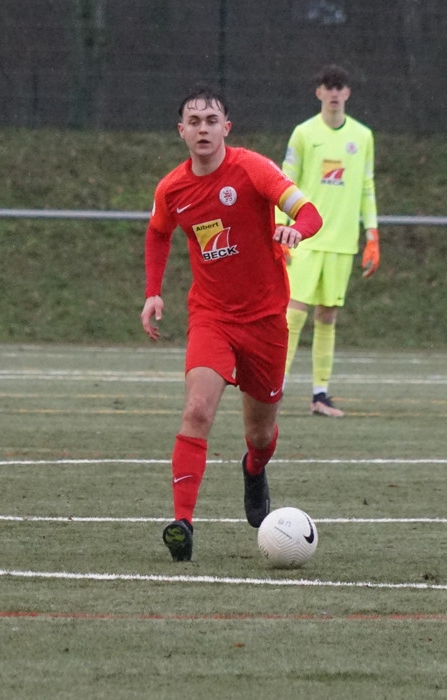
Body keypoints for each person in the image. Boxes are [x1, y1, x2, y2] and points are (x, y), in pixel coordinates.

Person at [141, 84, 323, 562]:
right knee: (197, 410)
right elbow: (158, 233)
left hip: (265, 320)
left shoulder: (253, 169)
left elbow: (310, 212)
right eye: (193, 122)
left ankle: (254, 468)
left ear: (226, 127)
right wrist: (153, 292)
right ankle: (182, 524)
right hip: (212, 317)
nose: (203, 129)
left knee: (260, 435)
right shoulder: (172, 189)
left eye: (211, 121)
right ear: (181, 131)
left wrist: (295, 230)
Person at [275, 64, 380, 418]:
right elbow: (284, 181)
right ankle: (275, 388)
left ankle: (320, 394)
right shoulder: (304, 134)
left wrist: (372, 234)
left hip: (341, 242)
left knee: (327, 315)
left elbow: (367, 186)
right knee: (293, 314)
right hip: (304, 238)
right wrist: (279, 227)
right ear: (318, 92)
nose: (334, 93)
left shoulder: (362, 137)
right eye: (328, 86)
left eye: (340, 87)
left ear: (347, 93)